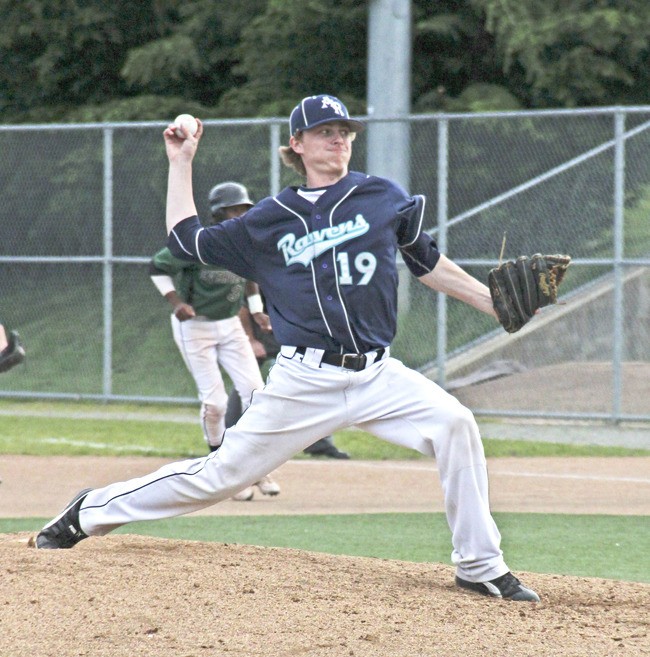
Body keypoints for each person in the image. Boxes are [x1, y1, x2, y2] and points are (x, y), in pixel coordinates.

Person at [36, 94, 540, 602]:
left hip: (377, 374)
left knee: (455, 423)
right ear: (296, 144)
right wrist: (180, 162)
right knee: (220, 476)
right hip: (305, 381)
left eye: (344, 130)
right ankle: (89, 512)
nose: (338, 138)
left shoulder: (382, 197)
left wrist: (491, 304)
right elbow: (186, 241)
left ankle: (479, 565)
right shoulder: (268, 219)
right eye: (325, 131)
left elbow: (426, 260)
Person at [149, 181, 280, 501]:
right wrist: (176, 302)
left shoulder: (245, 243)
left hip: (231, 325)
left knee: (256, 394)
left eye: (245, 209)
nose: (241, 214)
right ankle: (219, 470)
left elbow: (251, 280)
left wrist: (258, 311)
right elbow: (157, 267)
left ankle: (255, 467)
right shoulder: (200, 243)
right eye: (235, 209)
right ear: (219, 213)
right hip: (195, 327)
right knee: (215, 403)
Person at [227, 298, 350, 459]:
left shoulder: (308, 276)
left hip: (294, 335)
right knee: (245, 383)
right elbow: (243, 307)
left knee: (313, 383)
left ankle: (319, 444)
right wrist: (250, 340)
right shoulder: (271, 273)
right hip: (261, 333)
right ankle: (228, 439)